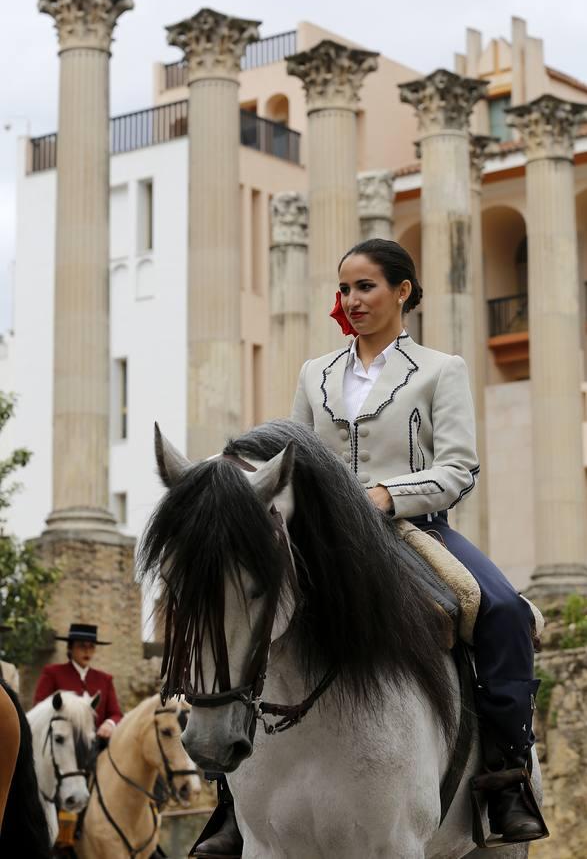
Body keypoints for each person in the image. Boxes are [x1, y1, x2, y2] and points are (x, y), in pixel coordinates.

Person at [194, 238, 544, 857]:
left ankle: (506, 777)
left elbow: (459, 467)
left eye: (366, 287)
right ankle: (231, 800)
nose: (352, 300)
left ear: (402, 291)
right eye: (346, 289)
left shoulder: (442, 370)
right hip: (321, 539)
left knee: (506, 612)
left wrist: (385, 495)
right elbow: (291, 459)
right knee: (251, 614)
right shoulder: (315, 373)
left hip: (413, 527)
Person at [34, 623, 122, 739]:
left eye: (91, 646)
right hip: (62, 743)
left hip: (97, 744)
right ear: (70, 648)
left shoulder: (105, 679)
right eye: (82, 646)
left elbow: (116, 714)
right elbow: (39, 707)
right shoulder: (53, 673)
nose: (87, 651)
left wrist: (109, 724)